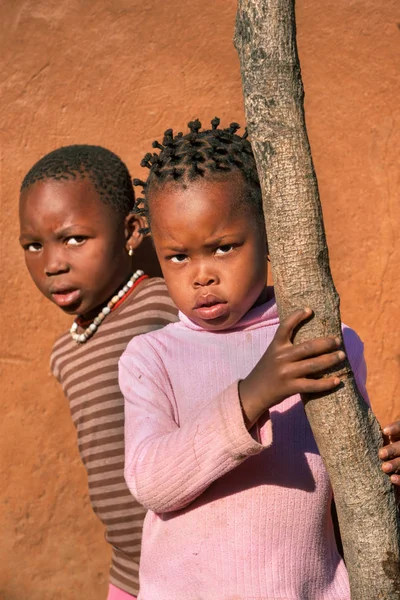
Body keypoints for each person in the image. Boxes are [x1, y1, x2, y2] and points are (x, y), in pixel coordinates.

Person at [119, 119, 400, 599]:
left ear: (269, 231)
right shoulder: (152, 356)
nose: (202, 276)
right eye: (177, 257)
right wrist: (251, 397)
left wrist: (387, 469)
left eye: (223, 247)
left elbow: (349, 486)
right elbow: (150, 481)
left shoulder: (325, 342)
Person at [18, 145, 178, 600]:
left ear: (129, 232)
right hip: (128, 570)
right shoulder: (65, 350)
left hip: (192, 556)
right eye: (33, 245)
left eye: (74, 239)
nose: (52, 264)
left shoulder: (165, 306)